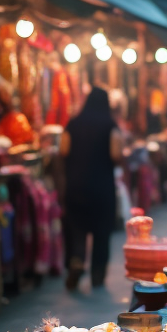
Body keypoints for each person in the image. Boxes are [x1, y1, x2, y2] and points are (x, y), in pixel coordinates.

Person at [60, 87, 123, 291]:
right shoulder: (110, 125)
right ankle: (97, 274)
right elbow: (115, 154)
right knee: (101, 231)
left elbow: (63, 150)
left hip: (75, 186)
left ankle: (76, 260)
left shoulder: (73, 123)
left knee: (76, 227)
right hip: (102, 187)